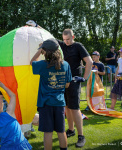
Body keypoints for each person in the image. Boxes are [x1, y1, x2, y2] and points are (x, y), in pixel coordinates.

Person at [26, 20, 92, 148]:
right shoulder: (60, 46)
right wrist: (36, 26)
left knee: (74, 108)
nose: (66, 42)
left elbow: (89, 62)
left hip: (72, 81)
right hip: (62, 85)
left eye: (68, 39)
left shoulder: (78, 46)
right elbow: (49, 37)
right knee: (66, 107)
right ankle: (71, 130)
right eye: (64, 39)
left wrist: (84, 78)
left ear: (73, 37)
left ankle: (81, 135)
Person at [30, 38, 72, 150]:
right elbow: (67, 85)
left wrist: (40, 49)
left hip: (46, 103)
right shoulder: (66, 65)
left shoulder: (43, 65)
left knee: (48, 132)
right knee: (61, 130)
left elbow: (31, 62)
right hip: (59, 103)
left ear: (45, 51)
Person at [0, 80, 32, 150]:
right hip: (20, 146)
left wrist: (0, 97)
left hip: (6, 147)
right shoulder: (9, 113)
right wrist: (3, 86)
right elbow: (13, 96)